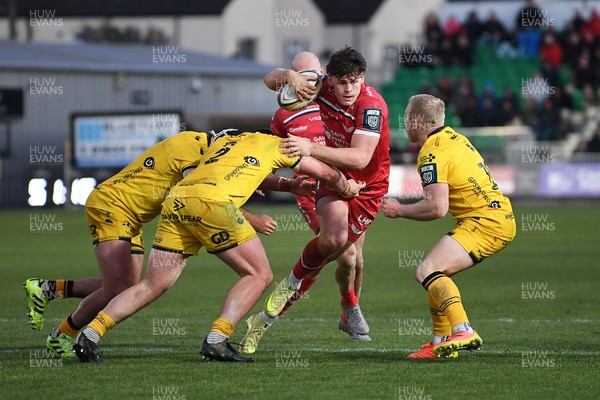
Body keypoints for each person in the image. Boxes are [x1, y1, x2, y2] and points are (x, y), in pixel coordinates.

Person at [72, 129, 364, 363]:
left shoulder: (226, 142)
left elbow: (252, 170)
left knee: (152, 284)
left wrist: (288, 186)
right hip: (209, 203)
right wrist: (346, 187)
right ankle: (217, 340)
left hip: (176, 200)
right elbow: (323, 172)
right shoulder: (276, 144)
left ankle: (90, 335)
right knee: (259, 274)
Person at [24, 130, 281, 359]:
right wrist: (252, 217)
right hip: (113, 206)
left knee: (127, 286)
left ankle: (49, 291)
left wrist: (274, 183)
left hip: (128, 211)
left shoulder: (198, 144)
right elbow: (197, 192)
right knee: (119, 287)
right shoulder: (195, 153)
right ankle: (62, 334)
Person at [241, 46, 390, 354]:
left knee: (353, 258)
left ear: (363, 78)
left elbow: (361, 159)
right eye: (342, 82)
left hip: (367, 186)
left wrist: (309, 147)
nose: (349, 89)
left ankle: (348, 309)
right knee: (337, 244)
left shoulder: (371, 106)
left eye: (355, 80)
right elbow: (271, 81)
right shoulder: (307, 95)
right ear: (328, 79)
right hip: (327, 178)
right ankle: (289, 289)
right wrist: (288, 76)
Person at [381, 94, 516, 358]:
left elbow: (436, 208)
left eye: (407, 118)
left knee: (427, 270)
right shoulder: (454, 137)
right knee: (437, 272)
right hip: (496, 217)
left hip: (486, 222)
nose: (405, 123)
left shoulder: (431, 152)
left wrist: (399, 210)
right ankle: (440, 343)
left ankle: (463, 329)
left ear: (416, 122)